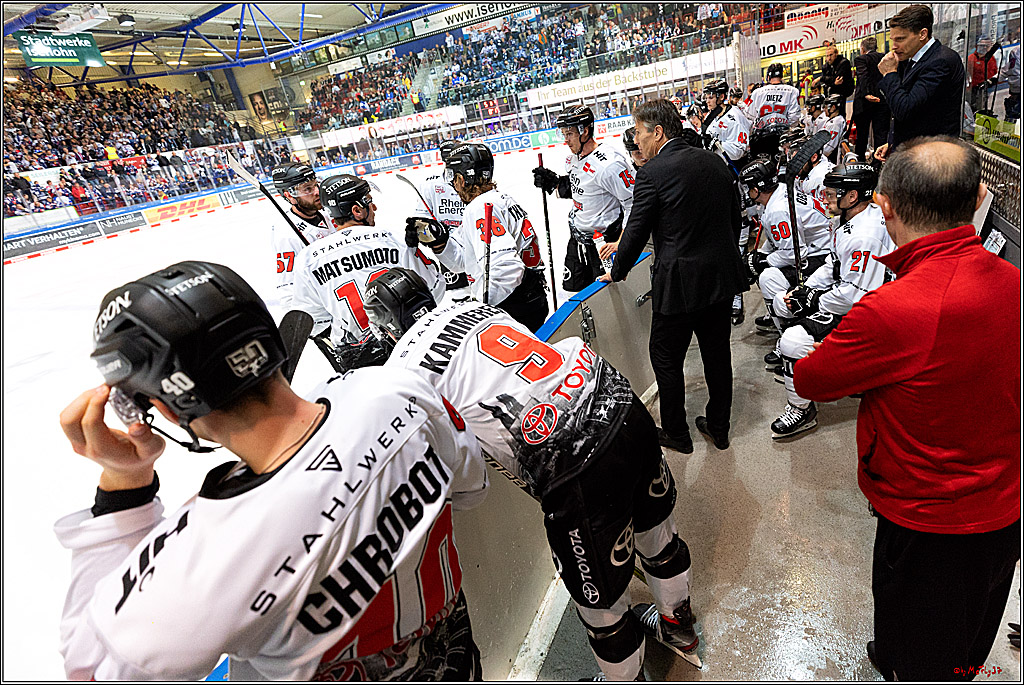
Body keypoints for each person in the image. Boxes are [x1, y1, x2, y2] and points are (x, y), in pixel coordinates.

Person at [56, 260, 489, 681]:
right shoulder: (395, 389)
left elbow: (90, 670)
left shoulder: (202, 559)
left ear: (167, 407)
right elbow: (472, 488)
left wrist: (124, 486)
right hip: (459, 664)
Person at [366, 269, 702, 680]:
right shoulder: (470, 305)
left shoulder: (403, 368)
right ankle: (678, 626)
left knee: (600, 605)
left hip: (570, 457)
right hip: (613, 394)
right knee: (657, 533)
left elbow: (468, 481)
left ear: (387, 322)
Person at [794, 137, 1020, 681]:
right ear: (980, 196)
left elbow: (811, 378)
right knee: (966, 642)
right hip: (1003, 508)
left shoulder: (894, 309)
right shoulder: (1014, 282)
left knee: (926, 658)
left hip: (926, 521)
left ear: (885, 207)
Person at [600, 99, 749, 453]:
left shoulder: (652, 173)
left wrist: (617, 271)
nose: (636, 140)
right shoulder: (714, 161)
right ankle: (719, 426)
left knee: (665, 357)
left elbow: (635, 232)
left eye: (638, 132)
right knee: (717, 355)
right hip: (719, 277)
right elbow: (735, 218)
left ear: (658, 132)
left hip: (679, 286)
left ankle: (677, 434)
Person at [770, 164, 894, 437]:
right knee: (783, 301)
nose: (824, 197)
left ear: (852, 197)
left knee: (792, 341)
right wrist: (806, 288)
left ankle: (801, 409)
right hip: (857, 298)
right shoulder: (853, 218)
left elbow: (855, 295)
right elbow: (834, 264)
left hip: (873, 314)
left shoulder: (865, 235)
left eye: (830, 192)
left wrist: (815, 301)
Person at [292, 174, 444, 372]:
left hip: (355, 358)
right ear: (356, 210)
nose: (374, 208)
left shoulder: (308, 258)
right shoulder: (394, 239)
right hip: (409, 346)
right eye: (369, 202)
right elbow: (434, 289)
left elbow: (313, 321)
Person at [408, 142, 549, 331]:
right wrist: (440, 243)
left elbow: (506, 268)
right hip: (531, 297)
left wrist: (483, 310)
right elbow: (460, 260)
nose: (452, 184)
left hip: (515, 307)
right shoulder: (499, 200)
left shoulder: (480, 208)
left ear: (463, 178)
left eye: (453, 177)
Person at [739, 156, 832, 366]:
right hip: (815, 249)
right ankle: (779, 316)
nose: (747, 192)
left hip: (823, 255)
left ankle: (787, 333)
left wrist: (763, 262)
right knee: (761, 266)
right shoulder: (777, 194)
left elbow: (794, 253)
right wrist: (761, 256)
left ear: (757, 187)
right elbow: (776, 241)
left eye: (749, 187)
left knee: (768, 278)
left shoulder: (779, 209)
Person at [532, 106, 635, 291]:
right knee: (575, 291)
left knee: (605, 296)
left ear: (585, 131)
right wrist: (553, 182)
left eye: (569, 134)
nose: (566, 140)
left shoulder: (610, 165)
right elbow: (583, 189)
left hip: (603, 244)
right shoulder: (573, 160)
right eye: (563, 134)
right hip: (578, 240)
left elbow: (633, 203)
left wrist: (622, 242)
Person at [874, 5, 967, 159]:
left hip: (931, 159)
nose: (894, 47)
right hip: (914, 152)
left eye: (900, 39)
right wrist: (892, 142)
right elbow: (912, 109)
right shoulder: (913, 60)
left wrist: (890, 74)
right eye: (893, 40)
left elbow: (905, 109)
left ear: (922, 34)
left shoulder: (940, 61)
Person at [700, 77, 753, 325]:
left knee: (738, 243)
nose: (707, 99)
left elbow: (741, 148)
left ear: (721, 96)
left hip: (733, 183)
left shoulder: (735, 116)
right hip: (714, 184)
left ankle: (736, 298)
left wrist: (719, 146)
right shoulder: (710, 116)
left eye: (711, 95)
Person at [407, 139, 471, 301]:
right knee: (460, 295)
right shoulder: (430, 186)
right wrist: (420, 230)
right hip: (446, 248)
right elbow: (422, 221)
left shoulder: (472, 182)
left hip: (474, 243)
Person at [268, 163, 334, 309]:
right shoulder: (287, 235)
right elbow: (288, 289)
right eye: (308, 189)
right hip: (324, 307)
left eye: (316, 185)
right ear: (289, 195)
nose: (317, 192)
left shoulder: (328, 213)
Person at [852, 36, 890, 162]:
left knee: (862, 136)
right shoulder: (885, 57)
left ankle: (860, 163)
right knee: (881, 135)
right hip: (882, 101)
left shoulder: (861, 59)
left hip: (864, 103)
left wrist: (867, 93)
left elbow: (863, 77)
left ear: (862, 49)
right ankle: (878, 163)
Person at [744, 63, 801, 131]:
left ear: (768, 77)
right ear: (781, 76)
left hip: (762, 133)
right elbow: (794, 117)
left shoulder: (757, 92)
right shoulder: (793, 91)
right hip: (784, 132)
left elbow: (750, 115)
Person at [967, 39, 999, 113]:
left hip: (987, 89)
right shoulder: (971, 58)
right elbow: (968, 74)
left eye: (986, 46)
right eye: (982, 46)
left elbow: (994, 72)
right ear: (977, 46)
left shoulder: (991, 58)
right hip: (974, 89)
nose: (984, 48)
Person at [820, 94, 848, 162]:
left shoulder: (836, 123)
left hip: (831, 162)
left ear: (833, 107)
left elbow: (828, 148)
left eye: (826, 107)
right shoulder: (832, 120)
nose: (824, 110)